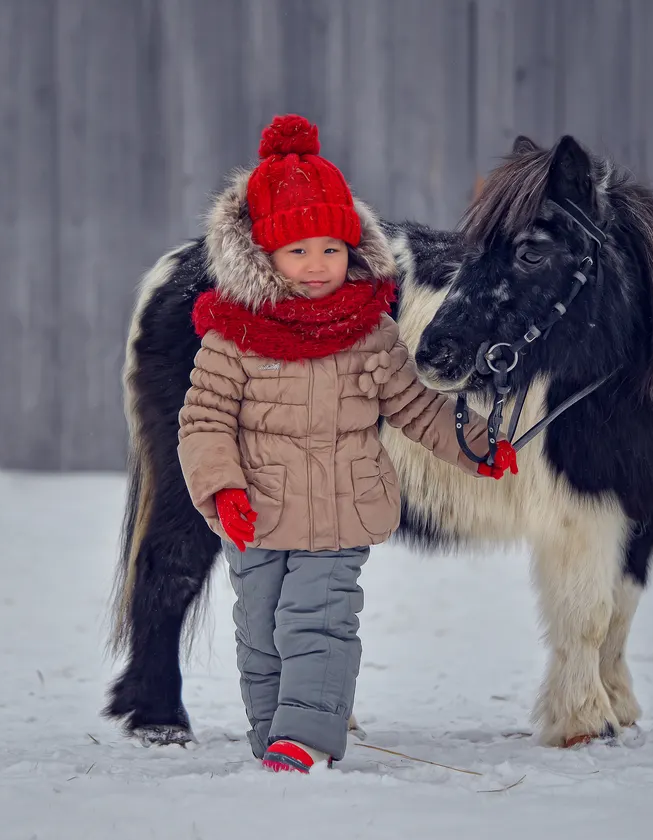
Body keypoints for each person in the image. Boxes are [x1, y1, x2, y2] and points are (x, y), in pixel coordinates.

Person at [176, 114, 510, 774]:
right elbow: (203, 420)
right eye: (297, 250)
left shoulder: (370, 332)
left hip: (340, 508)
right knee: (261, 630)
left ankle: (307, 740)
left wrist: (474, 444)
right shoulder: (232, 337)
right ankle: (274, 735)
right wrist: (223, 488)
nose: (317, 265)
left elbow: (415, 406)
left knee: (316, 620)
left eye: (331, 248)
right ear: (262, 255)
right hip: (257, 511)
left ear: (353, 250)